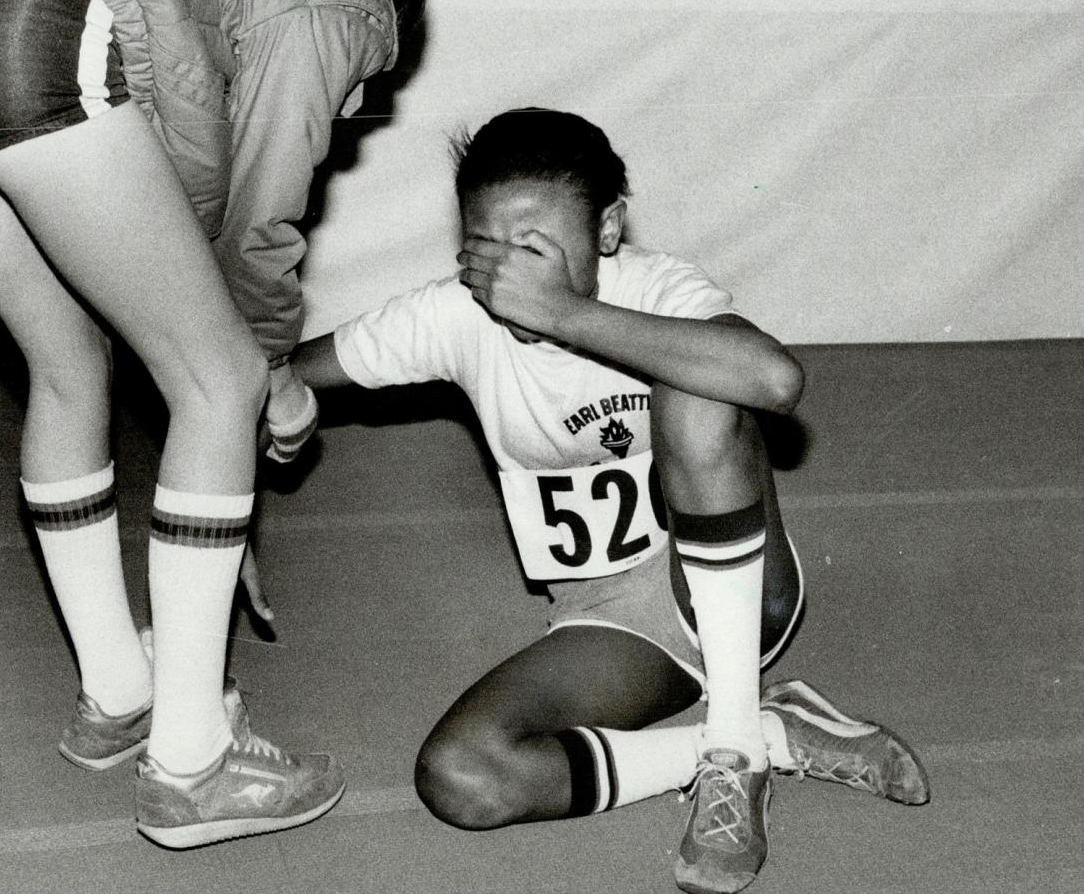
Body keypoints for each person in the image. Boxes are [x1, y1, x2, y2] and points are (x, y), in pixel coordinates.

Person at [0, 0, 427, 849]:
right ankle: (192, 765)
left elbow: (168, 209)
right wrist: (267, 383)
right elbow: (259, 212)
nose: (353, 106)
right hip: (35, 1)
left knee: (68, 361)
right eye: (367, 81)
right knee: (217, 380)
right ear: (388, 0)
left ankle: (120, 689)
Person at [292, 109, 929, 894]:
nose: (504, 275)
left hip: (731, 587)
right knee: (463, 777)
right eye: (482, 248)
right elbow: (266, 381)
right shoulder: (454, 314)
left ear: (607, 228)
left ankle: (733, 752)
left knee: (697, 396)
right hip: (614, 617)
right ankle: (775, 735)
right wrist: (238, 468)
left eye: (532, 249)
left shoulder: (654, 286)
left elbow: (773, 379)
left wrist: (561, 313)